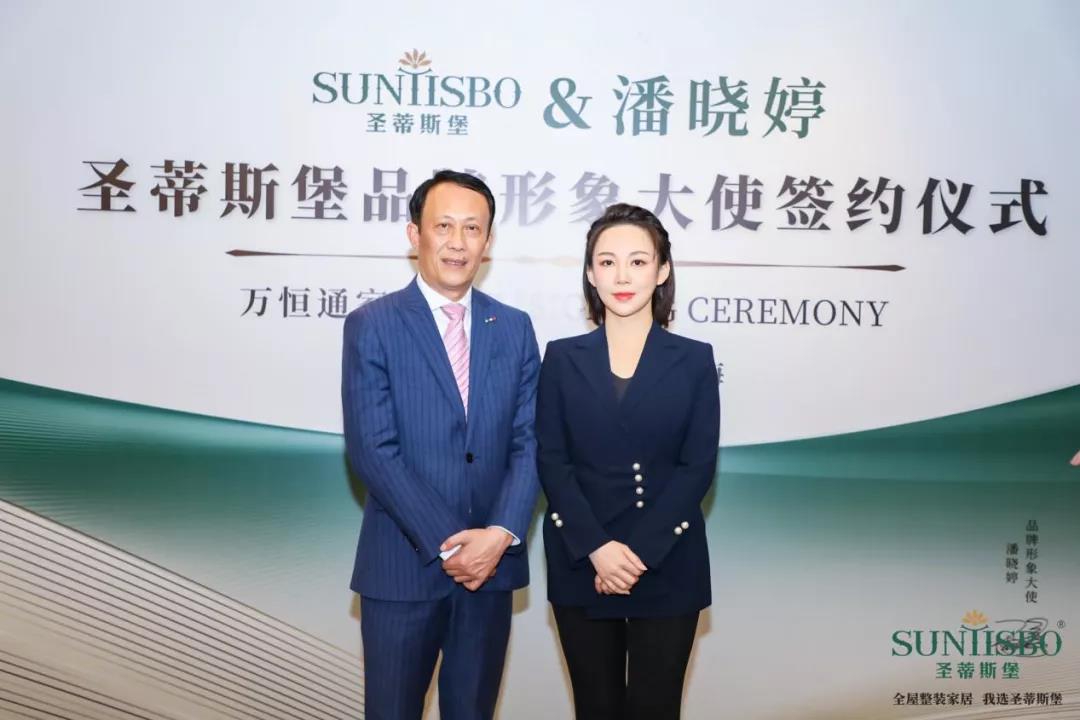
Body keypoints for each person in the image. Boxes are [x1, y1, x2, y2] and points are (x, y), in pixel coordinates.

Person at [341, 170, 540, 720]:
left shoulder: (515, 327)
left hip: (490, 570)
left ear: (488, 241)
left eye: (472, 228)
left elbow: (530, 442)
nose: (458, 242)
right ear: (415, 234)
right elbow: (373, 450)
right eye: (443, 226)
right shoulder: (372, 325)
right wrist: (453, 546)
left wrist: (499, 535)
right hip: (402, 568)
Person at [537, 203, 720, 719]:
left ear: (662, 271)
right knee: (594, 707)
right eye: (607, 262)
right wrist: (598, 549)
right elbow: (551, 460)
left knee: (654, 708)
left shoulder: (694, 359)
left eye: (638, 262)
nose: (622, 276)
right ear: (590, 273)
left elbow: (696, 467)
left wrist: (635, 555)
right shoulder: (561, 357)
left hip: (667, 559)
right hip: (582, 558)